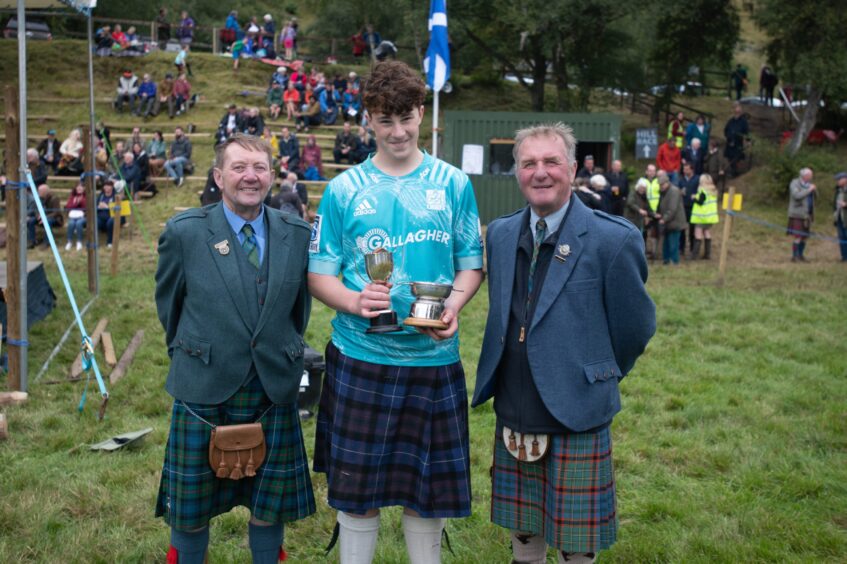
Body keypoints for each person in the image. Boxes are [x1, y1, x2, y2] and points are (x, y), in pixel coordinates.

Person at [308, 60, 484, 564]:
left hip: (433, 360)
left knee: (427, 494)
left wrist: (452, 304)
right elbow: (318, 273)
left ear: (421, 113)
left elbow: (471, 267)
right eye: (386, 120)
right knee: (357, 493)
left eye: (406, 118)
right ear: (369, 119)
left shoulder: (453, 184)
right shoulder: (343, 189)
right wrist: (352, 300)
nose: (398, 131)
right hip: (361, 356)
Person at [473, 122, 656, 564]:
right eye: (528, 163)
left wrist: (597, 372)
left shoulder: (614, 239)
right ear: (516, 172)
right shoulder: (498, 234)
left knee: (576, 544)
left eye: (551, 161)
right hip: (516, 403)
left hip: (577, 408)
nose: (540, 172)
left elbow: (635, 327)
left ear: (572, 168)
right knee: (524, 530)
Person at [154, 133, 315, 563]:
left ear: (272, 176)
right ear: (218, 176)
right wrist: (194, 352)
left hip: (271, 386)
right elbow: (169, 306)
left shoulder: (297, 233)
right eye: (239, 167)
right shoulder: (185, 232)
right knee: (190, 512)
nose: (250, 176)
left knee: (269, 504)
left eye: (259, 167)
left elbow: (299, 313)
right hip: (203, 383)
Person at [656, 171, 687, 265]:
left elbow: (672, 209)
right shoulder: (663, 191)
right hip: (668, 222)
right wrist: (658, 214)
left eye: (662, 184)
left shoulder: (674, 191)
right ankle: (666, 260)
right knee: (666, 243)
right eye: (660, 185)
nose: (661, 186)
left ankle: (674, 261)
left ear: (667, 182)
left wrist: (663, 219)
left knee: (673, 243)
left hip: (675, 222)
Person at [787, 167, 816, 262]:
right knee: (798, 236)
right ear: (805, 176)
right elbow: (796, 196)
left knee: (804, 237)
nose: (812, 177)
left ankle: (801, 255)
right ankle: (795, 257)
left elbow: (814, 196)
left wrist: (813, 190)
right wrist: (809, 190)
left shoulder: (809, 184)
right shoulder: (794, 183)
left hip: (807, 215)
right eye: (810, 175)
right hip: (797, 214)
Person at [689, 173, 719, 259]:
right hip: (710, 217)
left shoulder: (703, 191)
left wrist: (694, 198)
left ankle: (694, 255)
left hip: (701, 217)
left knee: (698, 234)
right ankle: (707, 254)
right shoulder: (713, 191)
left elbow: (700, 202)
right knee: (707, 233)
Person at [676, 162, 700, 255]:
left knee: (692, 229)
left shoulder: (697, 179)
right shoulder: (681, 180)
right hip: (683, 207)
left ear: (692, 169)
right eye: (684, 169)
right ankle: (681, 248)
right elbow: (678, 190)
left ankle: (692, 248)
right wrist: (680, 192)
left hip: (694, 207)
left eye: (687, 169)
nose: (685, 171)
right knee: (682, 228)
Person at [724, 102, 749, 177]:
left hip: (738, 142)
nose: (737, 110)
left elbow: (746, 131)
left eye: (738, 108)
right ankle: (732, 170)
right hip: (730, 142)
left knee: (736, 158)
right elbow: (726, 130)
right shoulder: (731, 121)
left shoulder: (743, 121)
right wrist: (729, 137)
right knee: (730, 157)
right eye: (735, 108)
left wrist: (748, 140)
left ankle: (735, 172)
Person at [96, 179, 124, 248]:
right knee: (95, 222)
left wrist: (107, 206)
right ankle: (95, 242)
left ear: (112, 187)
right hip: (101, 216)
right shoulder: (101, 196)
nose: (106, 187)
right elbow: (95, 206)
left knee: (110, 222)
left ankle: (110, 242)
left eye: (108, 186)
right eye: (105, 186)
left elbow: (118, 208)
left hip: (112, 216)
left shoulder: (116, 196)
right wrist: (98, 206)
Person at [64, 181, 86, 251]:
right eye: (78, 186)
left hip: (84, 216)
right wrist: (76, 203)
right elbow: (68, 206)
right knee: (71, 223)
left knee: (79, 223)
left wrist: (80, 201)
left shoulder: (86, 196)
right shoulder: (72, 196)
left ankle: (79, 241)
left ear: (84, 188)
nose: (79, 188)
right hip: (72, 216)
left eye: (81, 186)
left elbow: (86, 207)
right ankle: (69, 241)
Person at [834, 172, 847, 262]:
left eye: (839, 179)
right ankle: (844, 257)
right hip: (839, 217)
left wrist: (846, 204)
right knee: (841, 238)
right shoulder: (838, 190)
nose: (837, 181)